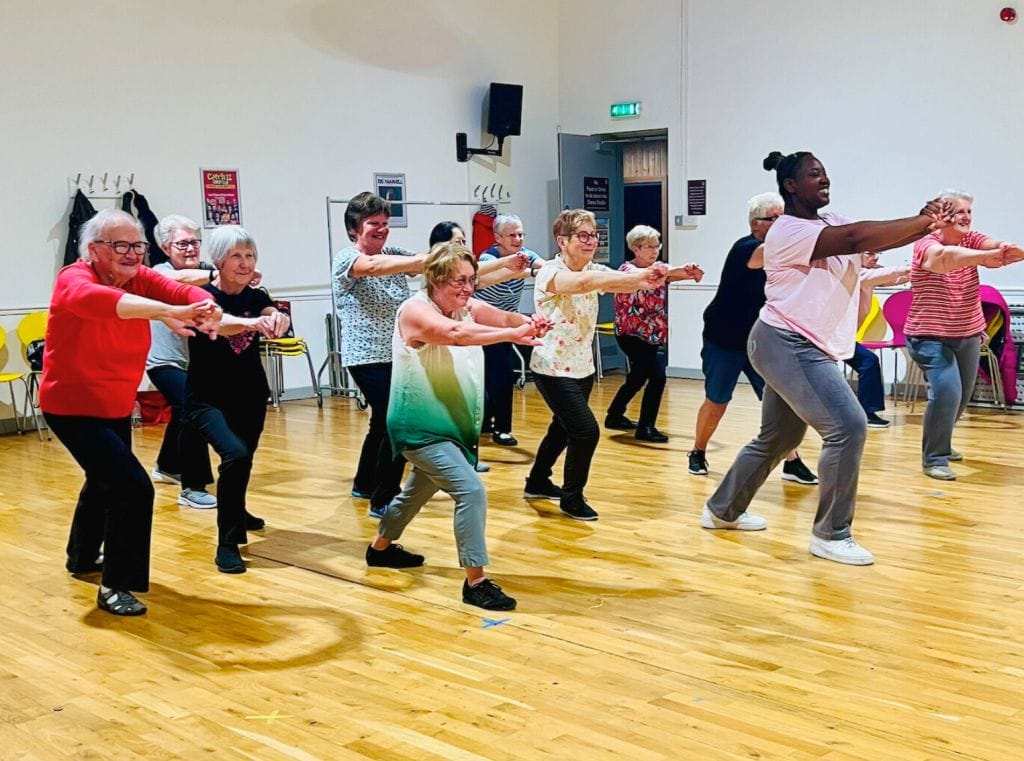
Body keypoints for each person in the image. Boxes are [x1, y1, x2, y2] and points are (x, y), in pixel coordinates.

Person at [701, 150, 955, 566]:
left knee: (779, 437)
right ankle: (831, 534)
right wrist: (924, 219)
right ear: (790, 186)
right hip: (786, 342)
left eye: (825, 173)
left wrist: (924, 221)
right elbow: (857, 239)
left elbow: (873, 237)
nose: (824, 180)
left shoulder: (831, 221)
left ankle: (721, 510)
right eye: (813, 175)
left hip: (800, 344)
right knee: (849, 427)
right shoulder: (786, 231)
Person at [40, 209, 221, 615]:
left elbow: (181, 292)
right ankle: (116, 587)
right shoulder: (74, 278)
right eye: (118, 245)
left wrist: (204, 306)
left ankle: (82, 557)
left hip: (115, 404)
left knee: (104, 480)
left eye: (136, 245)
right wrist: (162, 312)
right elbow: (102, 302)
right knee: (132, 487)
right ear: (93, 250)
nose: (131, 253)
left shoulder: (139, 278)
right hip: (71, 407)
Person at [365, 241, 552, 610]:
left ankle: (379, 549)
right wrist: (512, 336)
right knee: (471, 491)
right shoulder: (415, 312)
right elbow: (455, 334)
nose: (467, 289)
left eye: (470, 280)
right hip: (418, 428)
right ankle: (475, 581)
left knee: (415, 492)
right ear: (434, 279)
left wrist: (528, 323)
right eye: (457, 281)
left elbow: (499, 316)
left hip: (452, 426)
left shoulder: (466, 306)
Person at [335, 195, 527, 519]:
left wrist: (505, 265)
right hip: (366, 355)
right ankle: (384, 497)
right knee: (393, 419)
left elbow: (453, 272)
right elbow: (375, 266)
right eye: (374, 224)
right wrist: (425, 260)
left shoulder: (394, 254)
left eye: (385, 224)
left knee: (380, 423)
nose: (382, 230)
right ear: (355, 228)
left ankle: (364, 483)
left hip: (400, 351)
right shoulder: (347, 258)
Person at [524, 209, 668, 521]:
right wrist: (638, 277)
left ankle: (536, 481)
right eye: (584, 235)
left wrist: (675, 272)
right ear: (563, 241)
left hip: (581, 367)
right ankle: (571, 497)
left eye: (594, 235)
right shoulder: (550, 273)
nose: (592, 240)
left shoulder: (593, 268)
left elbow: (617, 282)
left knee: (562, 429)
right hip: (551, 367)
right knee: (586, 431)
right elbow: (586, 282)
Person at [689, 193, 818, 485]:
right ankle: (697, 451)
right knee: (717, 400)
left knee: (780, 401)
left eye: (783, 218)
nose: (781, 223)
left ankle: (792, 461)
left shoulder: (777, 252)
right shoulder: (747, 248)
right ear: (756, 223)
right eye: (775, 218)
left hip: (760, 340)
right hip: (724, 337)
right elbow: (779, 253)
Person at [183, 225, 291, 574]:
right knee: (235, 453)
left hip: (249, 394)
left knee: (243, 460)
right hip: (206, 399)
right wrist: (255, 324)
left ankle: (236, 509)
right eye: (236, 256)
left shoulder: (256, 296)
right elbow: (220, 324)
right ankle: (227, 544)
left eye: (250, 256)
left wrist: (278, 318)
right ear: (218, 260)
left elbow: (275, 315)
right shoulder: (200, 296)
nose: (245, 264)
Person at [904, 190, 1024, 480]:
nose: (967, 217)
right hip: (929, 336)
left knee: (960, 396)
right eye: (959, 212)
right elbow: (946, 259)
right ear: (940, 217)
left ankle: (941, 441)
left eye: (969, 212)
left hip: (967, 332)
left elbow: (991, 244)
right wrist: (986, 257)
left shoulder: (971, 239)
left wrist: (1004, 248)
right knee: (947, 392)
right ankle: (934, 458)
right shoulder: (926, 245)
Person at [146, 215, 220, 508]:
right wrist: (218, 274)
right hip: (162, 362)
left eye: (194, 242)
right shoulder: (159, 272)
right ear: (166, 247)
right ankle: (193, 486)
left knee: (182, 411)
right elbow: (176, 281)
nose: (191, 249)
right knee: (194, 409)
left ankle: (166, 466)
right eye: (182, 244)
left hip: (193, 361)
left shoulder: (204, 272)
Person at [604, 225, 703, 442]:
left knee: (638, 376)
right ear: (636, 249)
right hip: (630, 335)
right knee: (657, 376)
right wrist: (673, 271)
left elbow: (669, 274)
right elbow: (649, 275)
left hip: (652, 334)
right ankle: (646, 427)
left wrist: (688, 271)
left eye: (657, 246)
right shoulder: (626, 270)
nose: (655, 250)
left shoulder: (659, 268)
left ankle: (614, 415)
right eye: (649, 247)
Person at [474, 214, 544, 447]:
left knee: (503, 376)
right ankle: (484, 424)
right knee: (484, 379)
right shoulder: (488, 258)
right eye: (512, 235)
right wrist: (522, 270)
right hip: (480, 327)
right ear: (498, 238)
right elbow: (489, 278)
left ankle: (502, 429)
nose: (518, 239)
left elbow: (544, 267)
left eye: (521, 234)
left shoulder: (527, 255)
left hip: (505, 326)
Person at [847, 254, 912, 429]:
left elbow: (892, 279)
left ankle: (865, 412)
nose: (875, 257)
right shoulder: (853, 273)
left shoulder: (870, 274)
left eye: (878, 253)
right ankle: (866, 413)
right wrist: (910, 269)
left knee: (868, 362)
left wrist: (918, 273)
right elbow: (882, 276)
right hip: (830, 336)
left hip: (842, 337)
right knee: (868, 361)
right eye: (869, 253)